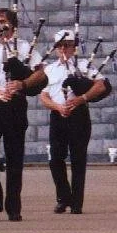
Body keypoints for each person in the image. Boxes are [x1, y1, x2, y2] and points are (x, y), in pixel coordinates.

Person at [0, 9, 41, 222]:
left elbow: (40, 74)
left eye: (2, 21)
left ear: (12, 25)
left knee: (14, 157)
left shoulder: (24, 48)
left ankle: (13, 206)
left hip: (15, 103)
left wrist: (22, 84)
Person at [39, 30, 106, 214]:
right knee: (55, 158)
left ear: (74, 47)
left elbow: (100, 85)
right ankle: (63, 197)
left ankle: (77, 202)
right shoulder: (49, 70)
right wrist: (57, 107)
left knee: (78, 159)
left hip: (79, 115)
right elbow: (43, 97)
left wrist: (81, 98)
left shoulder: (83, 66)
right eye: (60, 45)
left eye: (67, 45)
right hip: (58, 114)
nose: (63, 49)